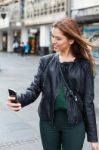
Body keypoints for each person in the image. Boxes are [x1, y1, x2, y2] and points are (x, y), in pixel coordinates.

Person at [7, 17, 99, 150]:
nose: (53, 42)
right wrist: (19, 100)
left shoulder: (84, 65)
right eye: (52, 37)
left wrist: (93, 137)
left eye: (58, 38)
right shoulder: (45, 61)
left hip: (74, 124)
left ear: (71, 40)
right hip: (48, 123)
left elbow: (88, 102)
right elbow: (34, 89)